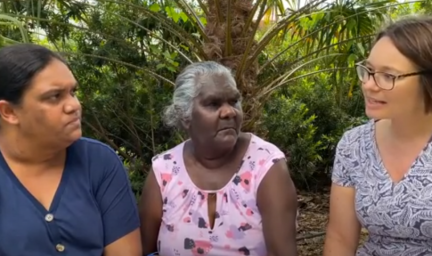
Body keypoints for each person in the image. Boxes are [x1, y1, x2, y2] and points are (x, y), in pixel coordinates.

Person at [139, 61, 298, 256]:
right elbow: (144, 250)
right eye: (213, 104)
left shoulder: (265, 166)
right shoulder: (164, 171)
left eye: (234, 101)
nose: (229, 111)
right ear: (185, 116)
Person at [0, 44, 142, 256]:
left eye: (73, 92)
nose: (74, 106)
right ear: (9, 111)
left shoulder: (98, 162)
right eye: (55, 96)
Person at [324, 15, 432, 256]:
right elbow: (340, 238)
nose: (369, 85)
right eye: (369, 71)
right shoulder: (354, 145)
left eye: (388, 76)